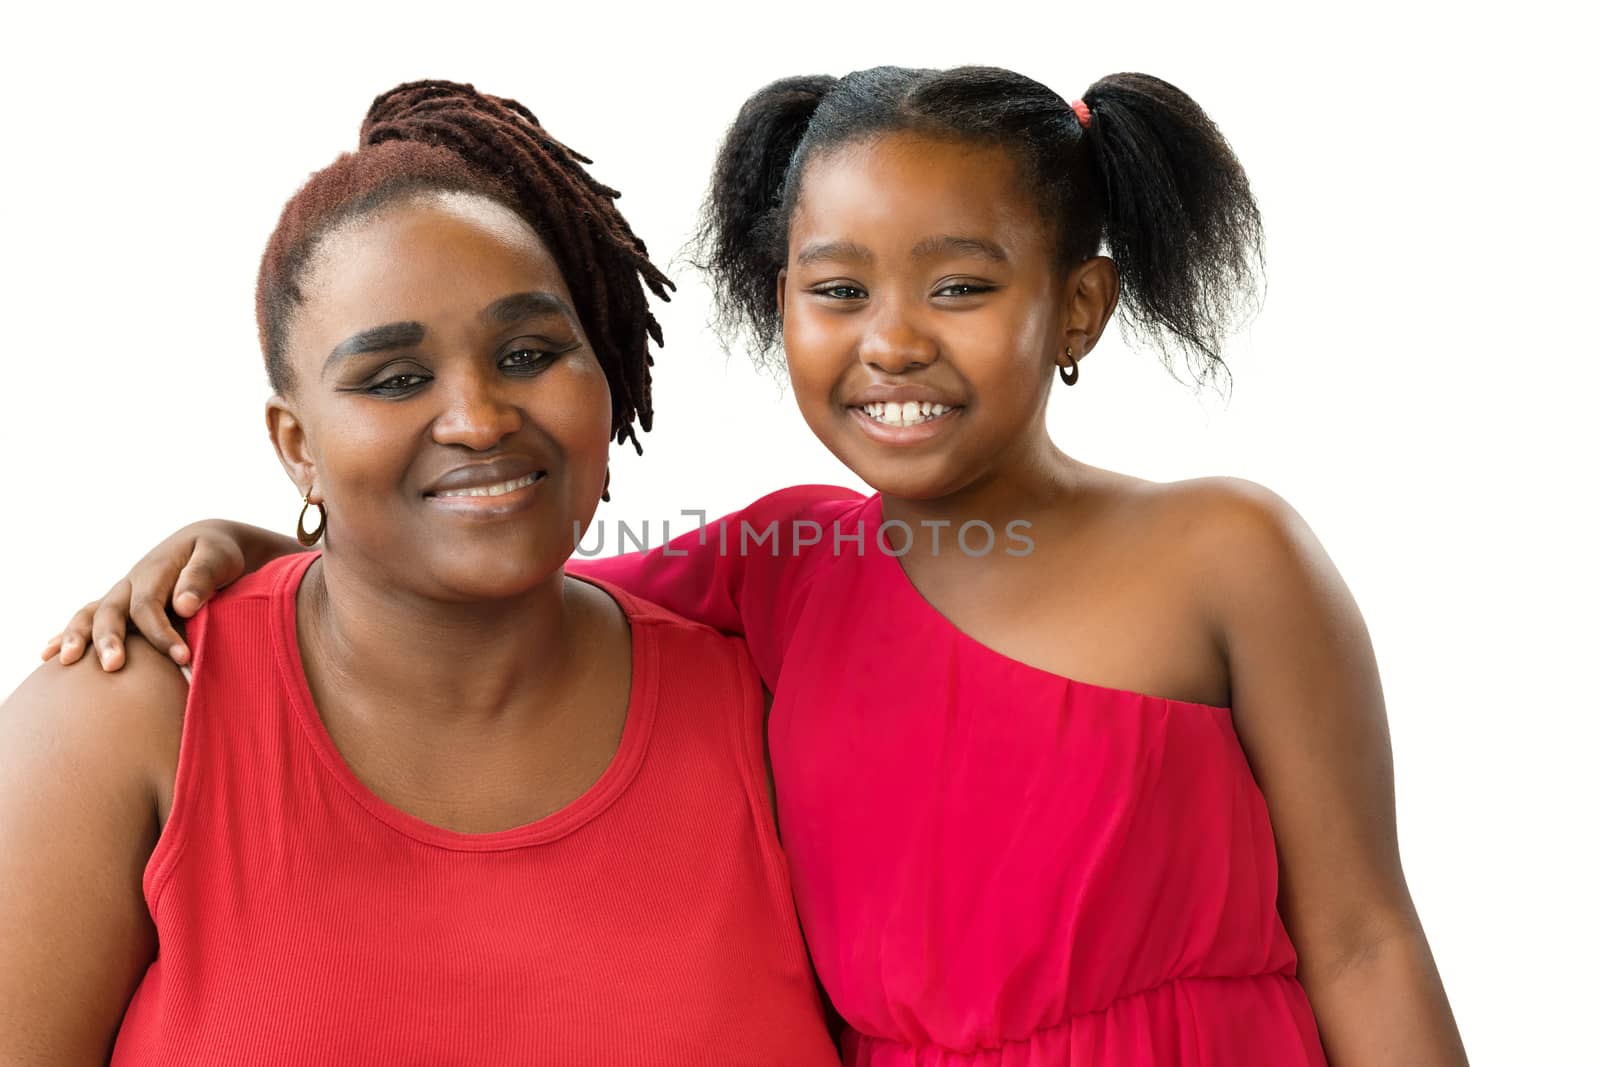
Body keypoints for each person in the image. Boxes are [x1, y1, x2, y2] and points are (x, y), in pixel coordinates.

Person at [44, 68, 1468, 1065]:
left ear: (1079, 304)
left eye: (961, 285)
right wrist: (239, 542)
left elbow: (1362, 941)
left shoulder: (1229, 550)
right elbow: (481, 566)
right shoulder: (782, 569)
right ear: (777, 302)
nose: (893, 339)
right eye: (836, 289)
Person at [2, 80, 840, 1065]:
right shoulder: (133, 710)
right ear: (295, 443)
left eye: (529, 353)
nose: (480, 418)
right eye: (394, 378)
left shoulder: (766, 711)